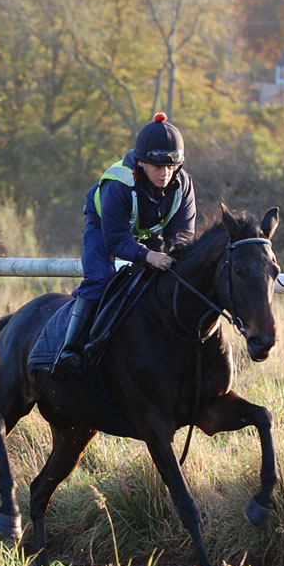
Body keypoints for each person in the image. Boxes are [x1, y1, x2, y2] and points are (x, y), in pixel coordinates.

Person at [53, 112, 197, 374]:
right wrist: (149, 256)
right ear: (141, 162)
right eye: (158, 167)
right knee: (101, 278)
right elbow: (116, 240)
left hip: (148, 228)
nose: (165, 173)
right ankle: (70, 348)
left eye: (171, 166)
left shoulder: (183, 184)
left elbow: (183, 233)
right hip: (105, 226)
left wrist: (174, 253)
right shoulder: (119, 184)